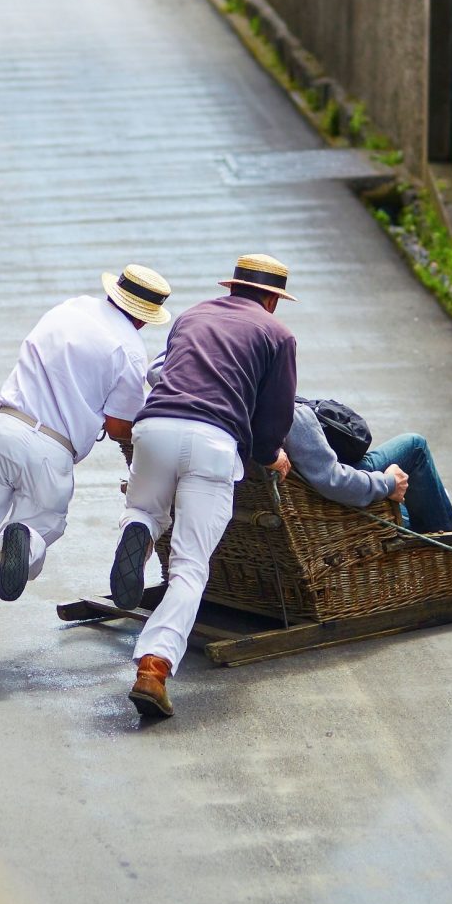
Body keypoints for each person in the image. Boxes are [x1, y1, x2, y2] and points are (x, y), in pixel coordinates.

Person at [0, 264, 172, 665]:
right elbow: (120, 423)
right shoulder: (129, 349)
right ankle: (18, 540)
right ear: (145, 315)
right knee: (43, 527)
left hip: (3, 426)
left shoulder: (68, 309)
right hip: (53, 449)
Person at [110, 253, 298, 720]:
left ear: (232, 287)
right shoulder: (277, 334)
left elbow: (160, 371)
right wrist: (270, 453)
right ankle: (153, 667)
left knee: (147, 510)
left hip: (154, 428)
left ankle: (139, 528)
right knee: (191, 567)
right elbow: (274, 415)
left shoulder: (193, 315)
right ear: (272, 299)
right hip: (214, 441)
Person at [284, 400, 452, 532]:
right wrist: (388, 482)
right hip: (321, 497)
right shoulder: (291, 413)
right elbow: (334, 481)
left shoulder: (258, 409)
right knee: (415, 445)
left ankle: (426, 503)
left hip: (302, 487)